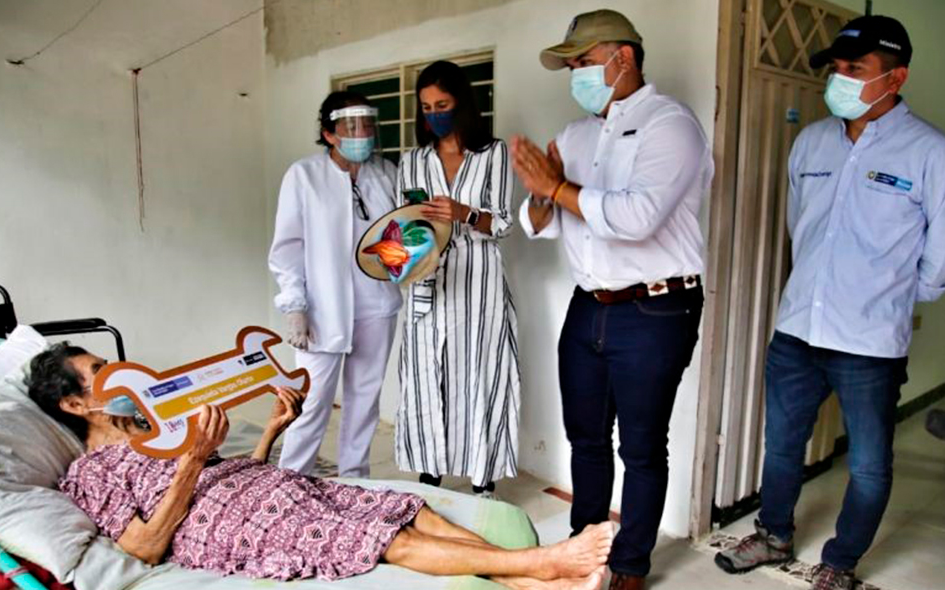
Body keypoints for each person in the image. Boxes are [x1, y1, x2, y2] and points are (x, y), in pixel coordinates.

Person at [714, 16, 945, 590]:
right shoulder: (811, 141)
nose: (840, 79)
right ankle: (773, 535)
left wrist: (893, 295)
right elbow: (799, 227)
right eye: (837, 68)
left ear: (896, 76)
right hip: (797, 332)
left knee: (868, 464)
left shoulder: (932, 153)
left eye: (855, 70)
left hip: (870, 343)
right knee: (780, 446)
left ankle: (841, 562)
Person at [28, 343, 613, 589]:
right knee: (380, 538)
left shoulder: (158, 430)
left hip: (261, 486)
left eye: (108, 363)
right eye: (98, 375)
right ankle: (547, 560)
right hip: (232, 528)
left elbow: (219, 475)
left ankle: (526, 580)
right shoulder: (90, 475)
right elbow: (145, 547)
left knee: (407, 507)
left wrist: (269, 439)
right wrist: (192, 463)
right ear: (76, 405)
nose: (116, 376)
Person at [512, 9, 712, 589]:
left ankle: (629, 563)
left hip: (655, 310)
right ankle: (584, 547)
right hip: (588, 307)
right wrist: (543, 195)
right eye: (571, 65)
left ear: (622, 58)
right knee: (587, 439)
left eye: (582, 62)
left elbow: (636, 217)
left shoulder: (670, 125)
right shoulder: (575, 135)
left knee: (643, 447)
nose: (575, 74)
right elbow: (541, 225)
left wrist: (559, 187)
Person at [393, 60, 521, 497]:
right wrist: (406, 246)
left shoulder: (494, 154)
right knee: (426, 376)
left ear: (462, 103)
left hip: (478, 282)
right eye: (427, 107)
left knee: (480, 377)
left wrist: (464, 214)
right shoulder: (412, 161)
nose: (434, 114)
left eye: (442, 105)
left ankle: (482, 479)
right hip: (427, 282)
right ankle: (430, 475)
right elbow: (403, 223)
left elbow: (504, 224)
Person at [268, 91, 402, 478]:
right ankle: (291, 483)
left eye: (367, 125)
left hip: (376, 306)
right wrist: (294, 304)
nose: (362, 133)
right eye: (351, 126)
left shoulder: (386, 173)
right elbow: (288, 246)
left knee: (363, 403)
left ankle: (354, 484)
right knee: (311, 405)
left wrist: (408, 256)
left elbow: (397, 234)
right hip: (321, 309)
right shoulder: (304, 176)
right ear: (329, 133)